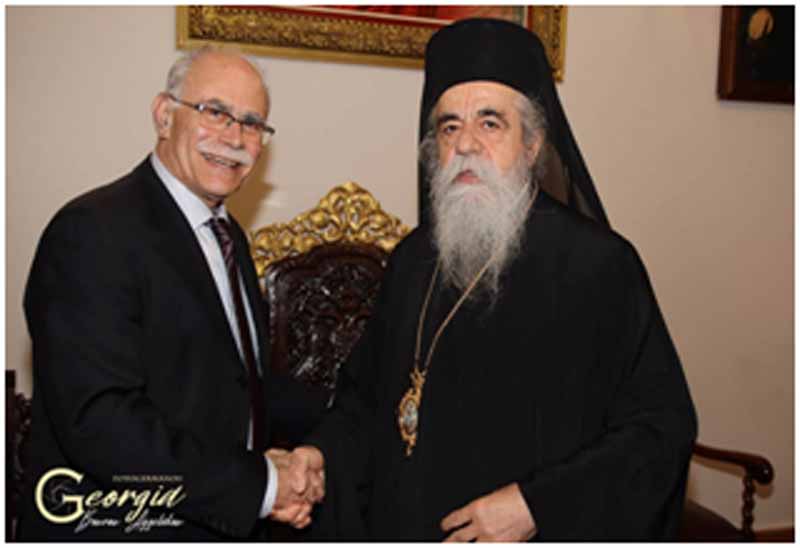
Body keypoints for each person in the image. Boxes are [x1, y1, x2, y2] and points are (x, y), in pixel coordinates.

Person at [288, 18, 697, 541]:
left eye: (490, 123)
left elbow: (661, 431)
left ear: (532, 145)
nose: (466, 144)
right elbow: (364, 401)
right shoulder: (413, 260)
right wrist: (319, 452)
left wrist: (536, 507)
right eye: (449, 127)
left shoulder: (599, 267)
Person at [20, 47, 325, 540]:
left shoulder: (227, 235)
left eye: (251, 124)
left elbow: (238, 382)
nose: (234, 138)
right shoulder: (91, 231)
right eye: (214, 112)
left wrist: (341, 428)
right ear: (164, 115)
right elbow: (101, 422)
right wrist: (261, 486)